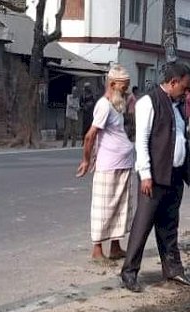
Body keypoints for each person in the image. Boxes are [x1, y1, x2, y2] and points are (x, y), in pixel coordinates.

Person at [120, 63, 190, 293]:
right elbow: (142, 140)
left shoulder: (178, 105)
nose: (187, 93)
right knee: (143, 225)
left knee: (169, 226)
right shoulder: (148, 102)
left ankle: (173, 270)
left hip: (174, 175)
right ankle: (129, 272)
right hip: (153, 177)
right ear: (173, 82)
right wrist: (145, 174)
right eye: (185, 88)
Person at [76, 65, 135, 262]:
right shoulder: (103, 105)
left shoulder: (116, 104)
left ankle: (116, 246)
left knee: (121, 207)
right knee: (104, 207)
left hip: (123, 163)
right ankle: (97, 250)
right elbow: (90, 136)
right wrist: (86, 161)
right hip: (108, 165)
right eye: (123, 87)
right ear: (112, 84)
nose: (126, 90)